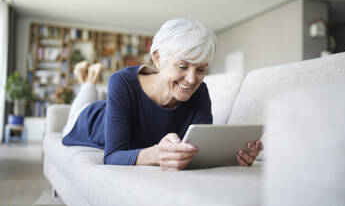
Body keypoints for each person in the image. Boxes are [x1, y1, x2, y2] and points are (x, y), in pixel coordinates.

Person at [62, 18, 263, 170]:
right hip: (87, 122)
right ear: (158, 59)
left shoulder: (200, 92)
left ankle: (88, 78)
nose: (192, 79)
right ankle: (87, 81)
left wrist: (234, 159)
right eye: (182, 66)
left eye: (200, 70)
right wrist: (157, 154)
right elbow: (112, 156)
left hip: (105, 114)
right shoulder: (122, 81)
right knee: (82, 100)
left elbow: (197, 154)